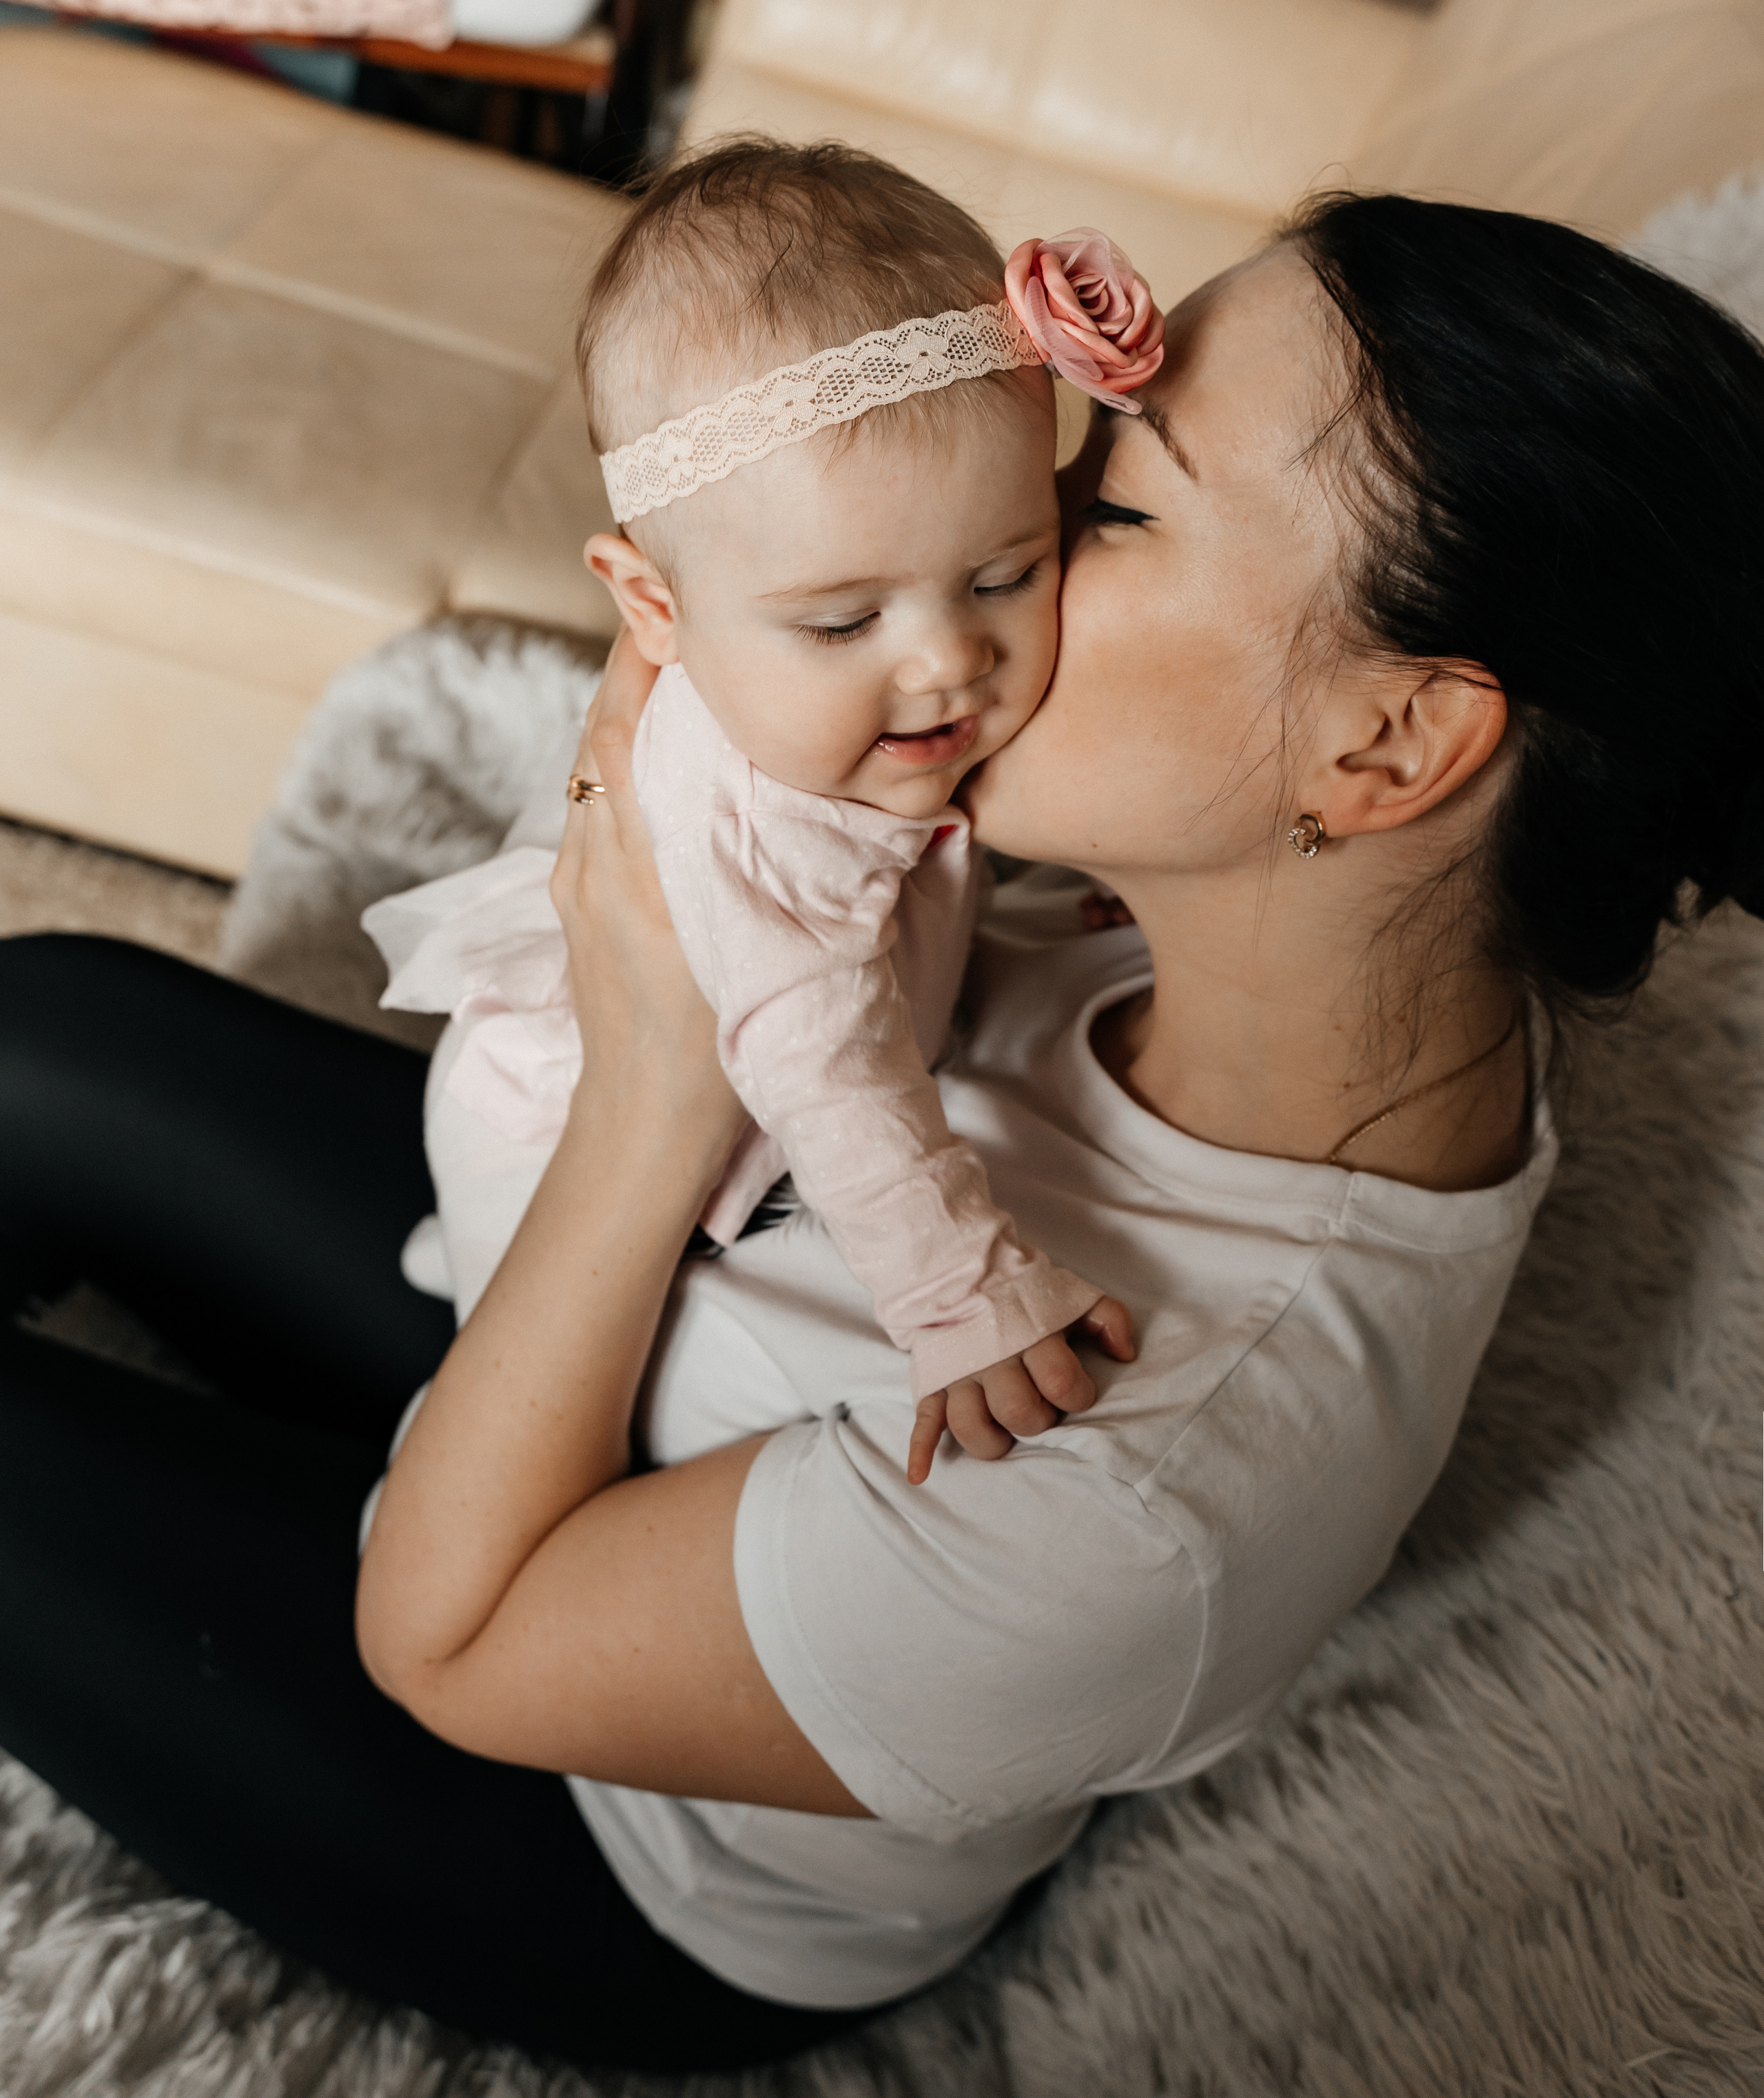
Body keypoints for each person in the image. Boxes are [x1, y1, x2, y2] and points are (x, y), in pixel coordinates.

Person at [0, 190, 1759, 2078]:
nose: (1005, 536)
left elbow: (445, 1637)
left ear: (1386, 746)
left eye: (1116, 506)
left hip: (604, 1828)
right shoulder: (1296, 932)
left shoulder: (1147, 1505)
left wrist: (662, 1095)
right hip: (681, 1308)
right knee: (46, 1025)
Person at [360, 149, 1154, 1474]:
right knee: (579, 1369)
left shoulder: (847, 708)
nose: (948, 660)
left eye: (1009, 573)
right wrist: (962, 1297)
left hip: (780, 1030)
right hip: (550, 1130)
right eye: (844, 620)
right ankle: (466, 1310)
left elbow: (946, 843)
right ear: (656, 611)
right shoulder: (761, 822)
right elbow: (831, 1071)